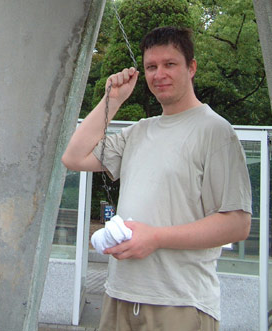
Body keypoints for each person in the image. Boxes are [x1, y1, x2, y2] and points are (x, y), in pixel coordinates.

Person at [62, 26, 251, 331]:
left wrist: (156, 237)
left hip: (180, 304)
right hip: (118, 296)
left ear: (191, 67)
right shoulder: (139, 131)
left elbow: (237, 224)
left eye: (169, 64)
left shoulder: (216, 131)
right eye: (151, 67)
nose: (159, 74)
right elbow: (74, 157)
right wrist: (112, 99)